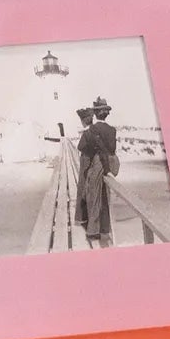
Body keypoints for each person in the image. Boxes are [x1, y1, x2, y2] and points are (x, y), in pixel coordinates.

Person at [75, 98, 118, 248]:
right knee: (105, 197)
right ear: (106, 114)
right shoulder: (112, 130)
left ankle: (92, 230)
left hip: (97, 165)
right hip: (109, 167)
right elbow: (112, 149)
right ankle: (105, 229)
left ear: (95, 114)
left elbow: (81, 147)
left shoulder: (91, 130)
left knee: (92, 195)